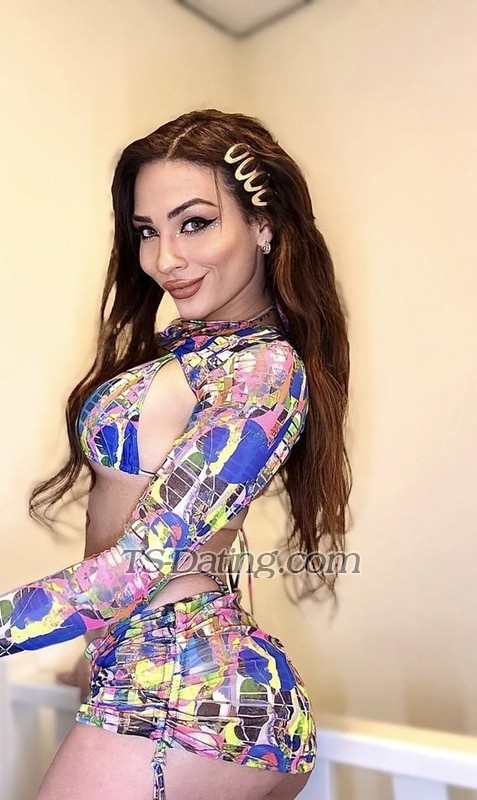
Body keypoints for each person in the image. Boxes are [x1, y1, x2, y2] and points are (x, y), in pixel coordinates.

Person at [0, 109, 351, 799]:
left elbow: (143, 561)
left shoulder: (263, 371)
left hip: (188, 700)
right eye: (146, 231)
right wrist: (97, 651)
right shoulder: (191, 354)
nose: (165, 259)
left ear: (263, 224)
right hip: (176, 683)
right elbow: (209, 536)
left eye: (194, 223)